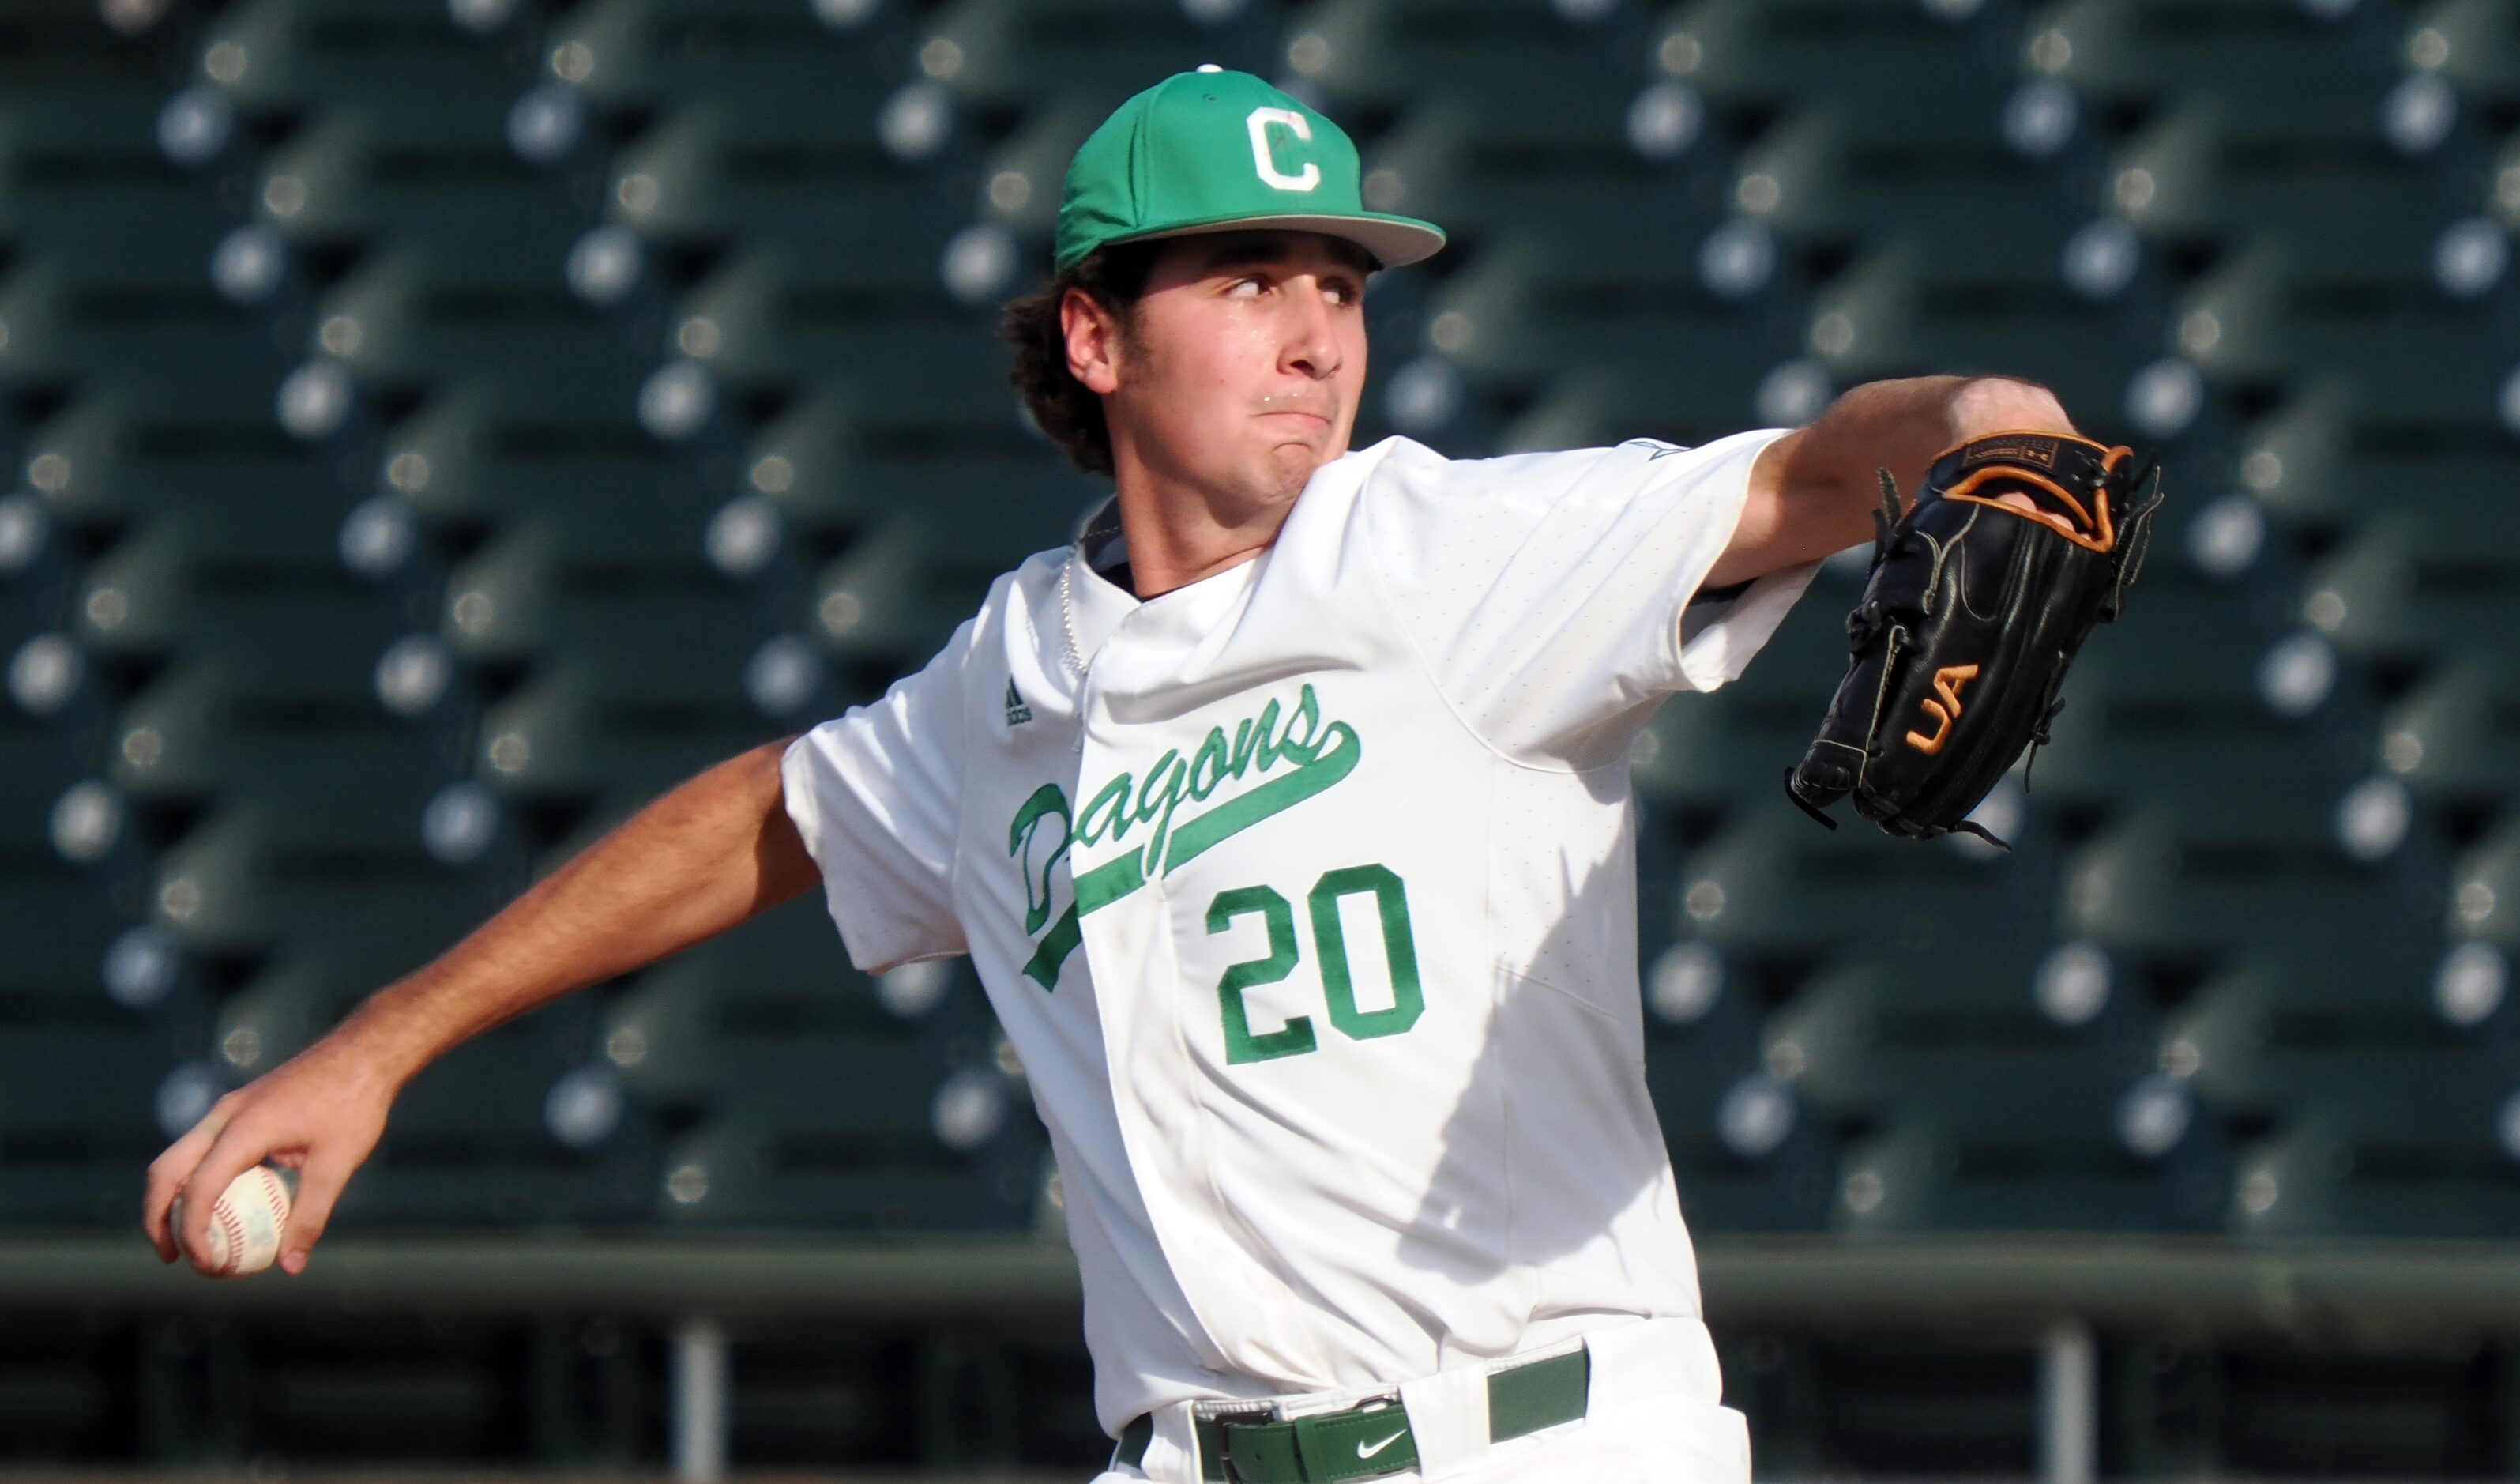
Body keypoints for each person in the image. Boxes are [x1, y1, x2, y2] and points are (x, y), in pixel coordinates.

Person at [145, 68, 2085, 1483]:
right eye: (1248, 280)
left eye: (1338, 282)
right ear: (1094, 334)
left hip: (1536, 1441)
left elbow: (1822, 469)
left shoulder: (1446, 558)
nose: (1317, 331)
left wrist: (1993, 429)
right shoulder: (1004, 678)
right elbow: (764, 821)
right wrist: (379, 1046)